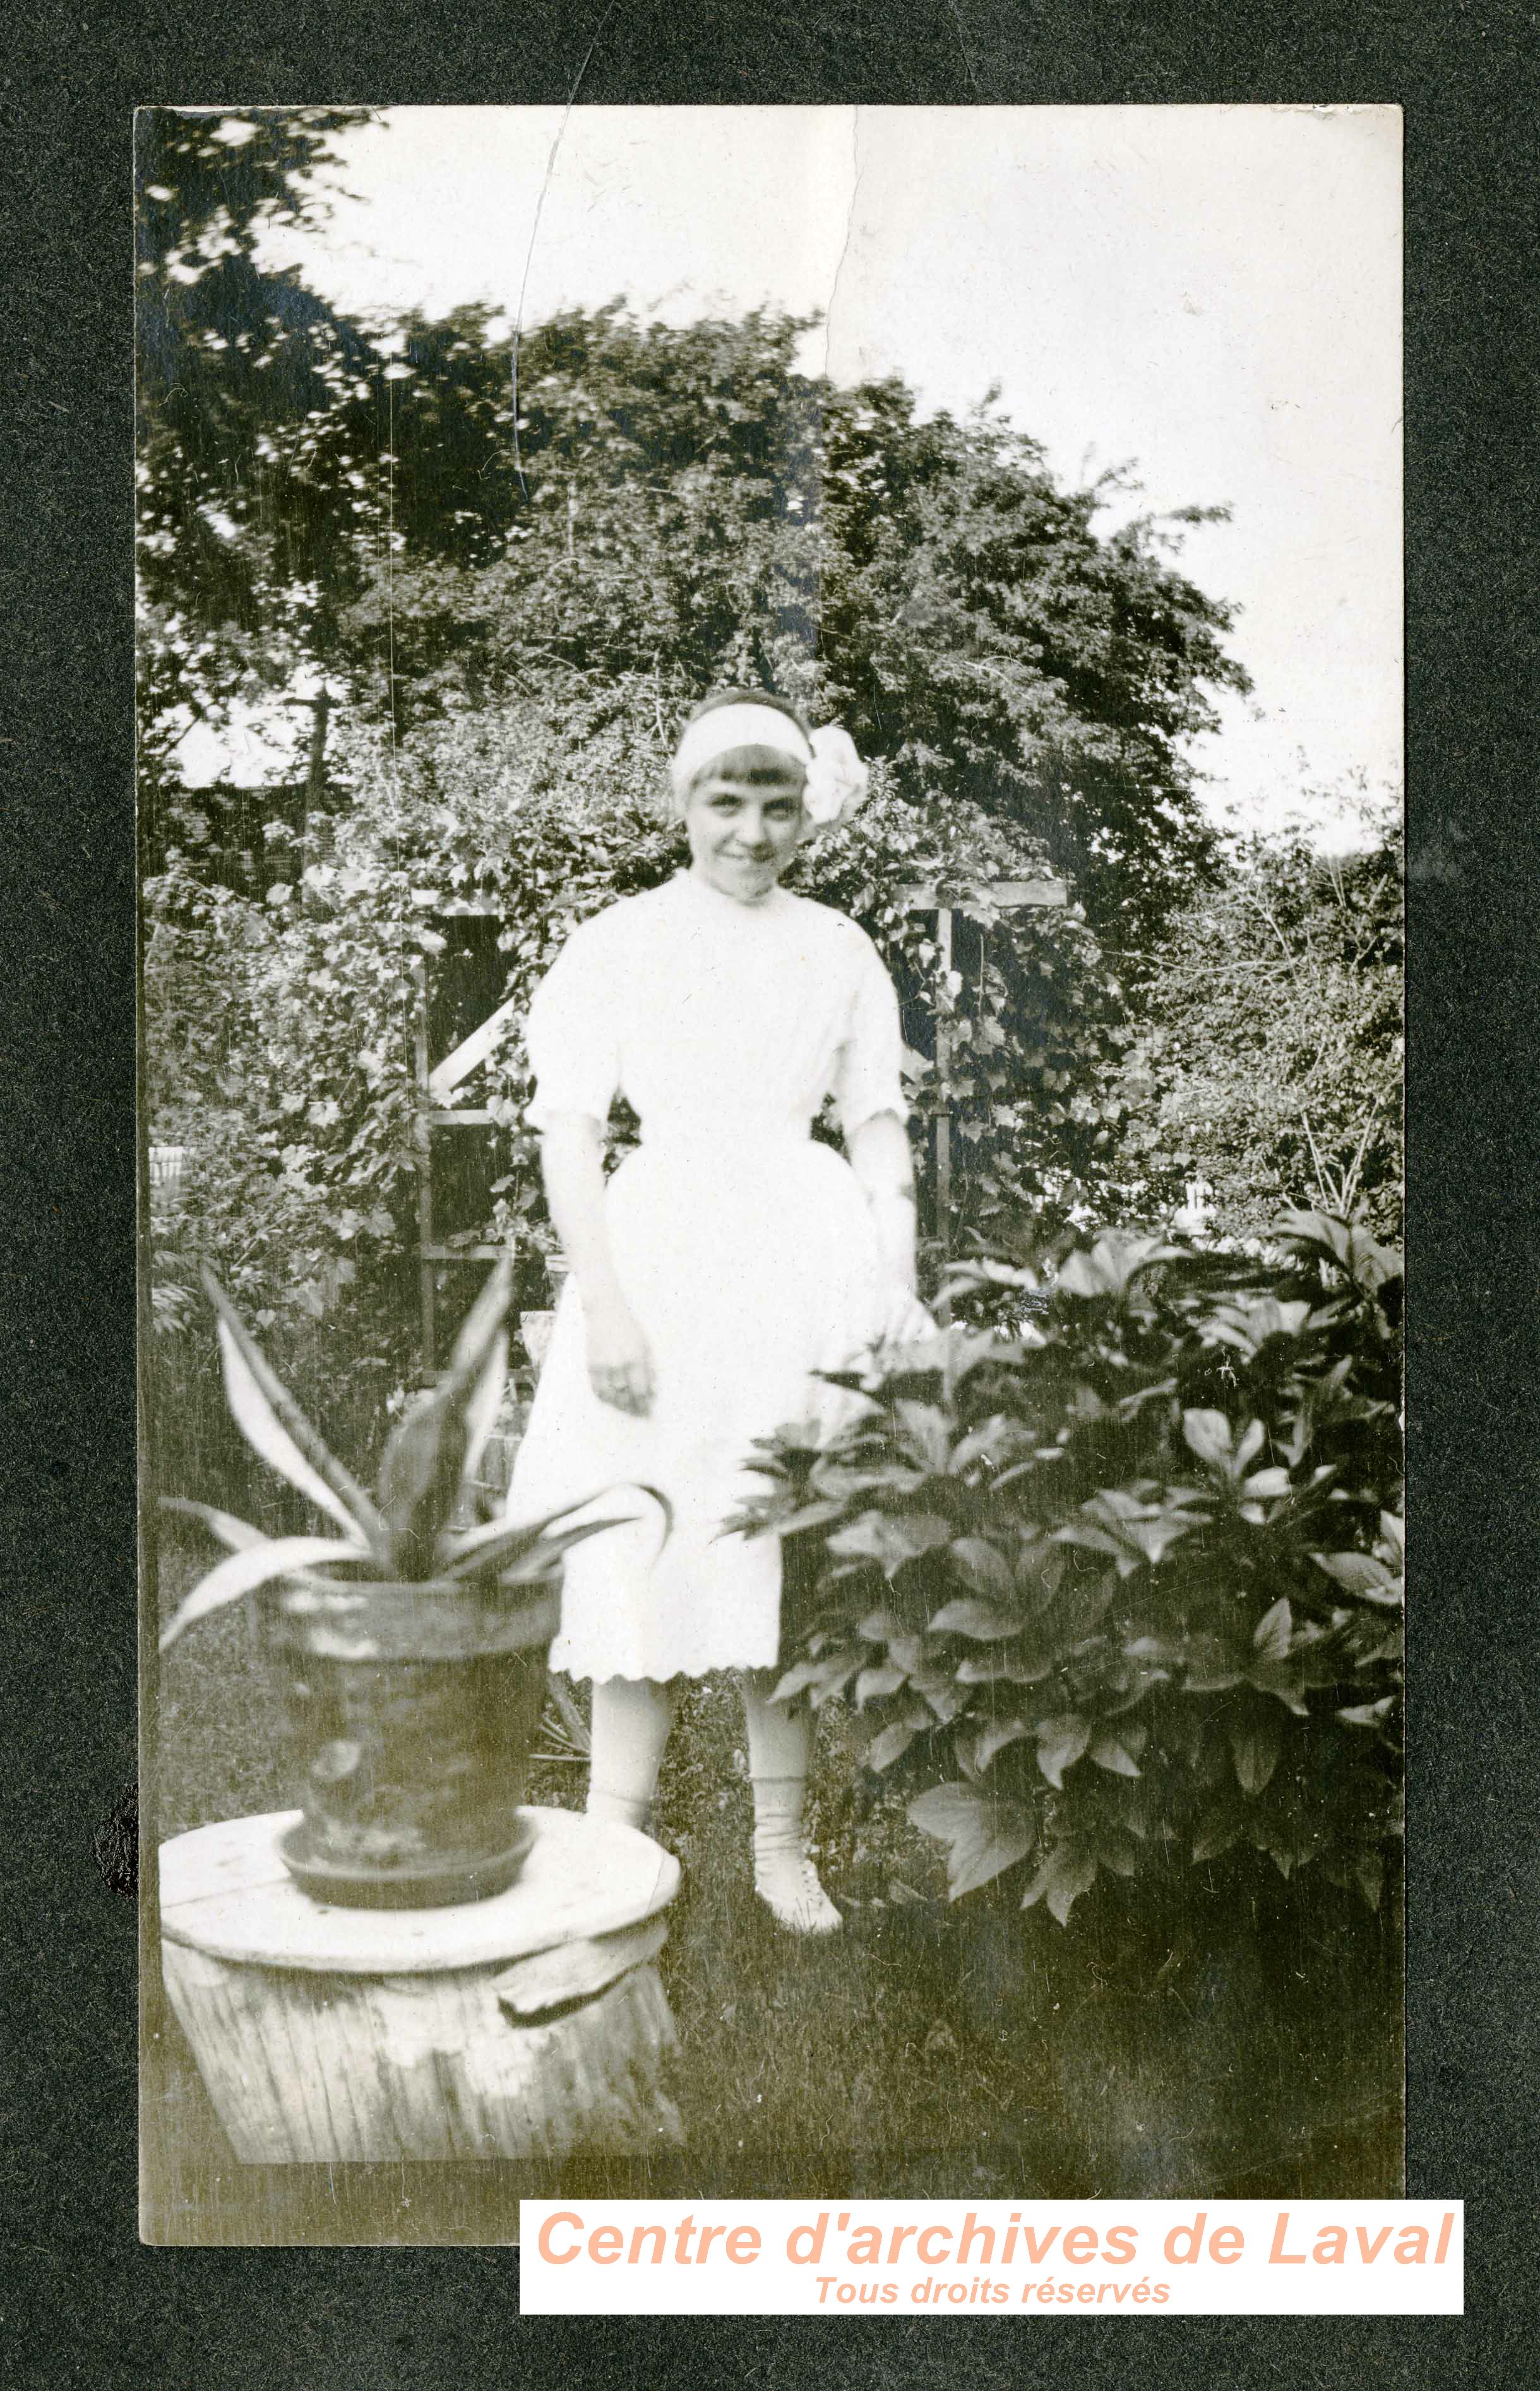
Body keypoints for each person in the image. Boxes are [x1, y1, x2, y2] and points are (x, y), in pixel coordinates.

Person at [506, 690, 922, 1932]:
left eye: (775, 803)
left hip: (803, 1253)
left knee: (770, 1543)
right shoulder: (619, 941)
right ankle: (608, 1850)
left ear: (807, 810)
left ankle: (778, 1850)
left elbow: (877, 1127)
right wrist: (608, 1310)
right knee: (640, 1537)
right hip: (663, 1253)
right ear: (681, 805)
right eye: (723, 802)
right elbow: (570, 1138)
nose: (750, 830)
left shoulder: (839, 949)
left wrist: (889, 1288)